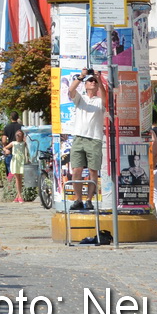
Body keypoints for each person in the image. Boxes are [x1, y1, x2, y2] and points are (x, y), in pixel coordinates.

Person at [64, 70, 106, 212]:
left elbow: (105, 97)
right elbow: (71, 90)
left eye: (94, 81)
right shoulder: (81, 98)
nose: (93, 82)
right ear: (85, 85)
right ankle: (78, 199)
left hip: (94, 138)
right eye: (90, 81)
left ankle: (89, 199)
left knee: (93, 170)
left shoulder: (99, 101)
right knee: (77, 170)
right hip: (79, 137)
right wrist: (82, 76)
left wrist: (99, 79)